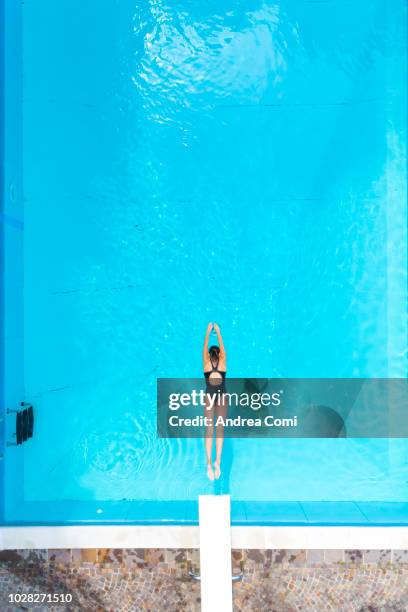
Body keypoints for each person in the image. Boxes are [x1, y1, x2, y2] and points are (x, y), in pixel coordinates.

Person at [202, 322, 227, 480]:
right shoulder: (223, 363)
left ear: (210, 355)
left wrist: (207, 331)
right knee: (220, 430)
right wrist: (218, 331)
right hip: (222, 396)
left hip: (209, 397)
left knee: (209, 430)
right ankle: (217, 462)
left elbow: (204, 347)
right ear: (219, 354)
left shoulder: (206, 364)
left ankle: (209, 463)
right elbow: (222, 348)